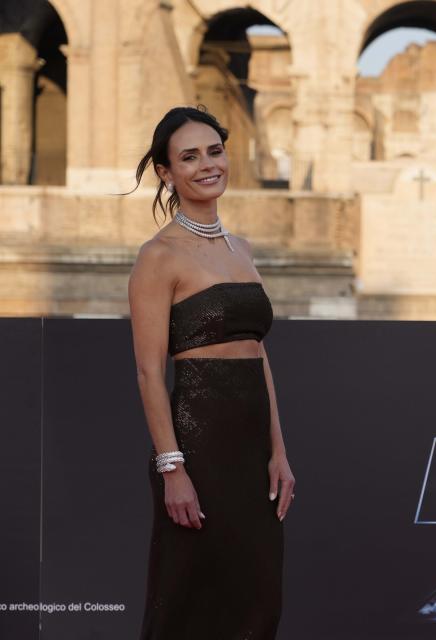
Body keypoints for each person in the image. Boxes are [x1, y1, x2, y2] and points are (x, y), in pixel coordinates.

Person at [127, 105, 294, 639]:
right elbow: (150, 374)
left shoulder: (241, 250)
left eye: (215, 151)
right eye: (189, 157)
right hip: (198, 447)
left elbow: (256, 352)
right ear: (166, 173)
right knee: (190, 601)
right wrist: (172, 469)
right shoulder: (159, 257)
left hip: (252, 455)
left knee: (259, 603)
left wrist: (279, 452)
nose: (207, 165)